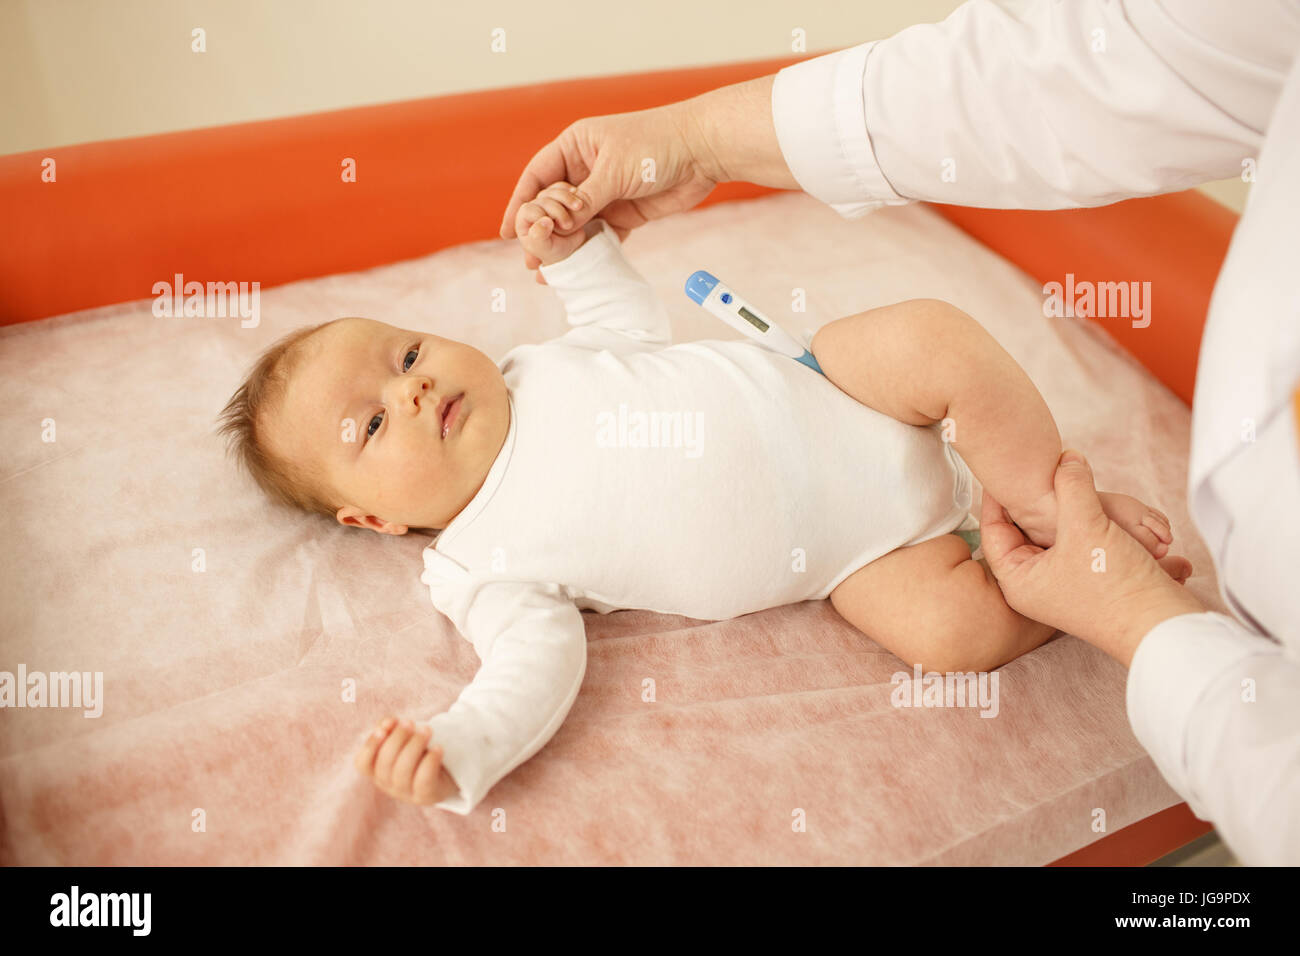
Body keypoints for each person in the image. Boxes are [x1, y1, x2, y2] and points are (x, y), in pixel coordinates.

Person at [498, 0, 1300, 865]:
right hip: (848, 555)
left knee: (930, 341)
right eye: (372, 424)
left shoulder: (533, 373)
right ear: (372, 517)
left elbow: (612, 310)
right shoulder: (477, 563)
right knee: (953, 637)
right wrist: (465, 744)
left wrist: (574, 251)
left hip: (832, 387)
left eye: (404, 354)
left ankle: (1049, 509)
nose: (418, 384)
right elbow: (527, 662)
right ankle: (1056, 582)